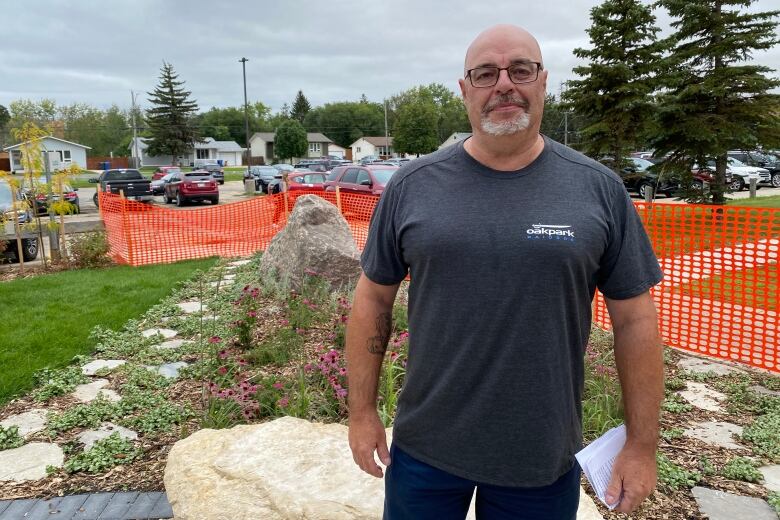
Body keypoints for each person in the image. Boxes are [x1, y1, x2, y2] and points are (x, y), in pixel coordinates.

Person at [346, 24, 664, 519]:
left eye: (520, 69)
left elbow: (636, 321)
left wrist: (641, 447)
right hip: (426, 453)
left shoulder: (598, 190)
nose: (504, 84)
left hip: (540, 460)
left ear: (543, 81)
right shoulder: (412, 187)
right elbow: (372, 301)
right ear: (464, 90)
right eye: (485, 73)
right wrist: (362, 411)